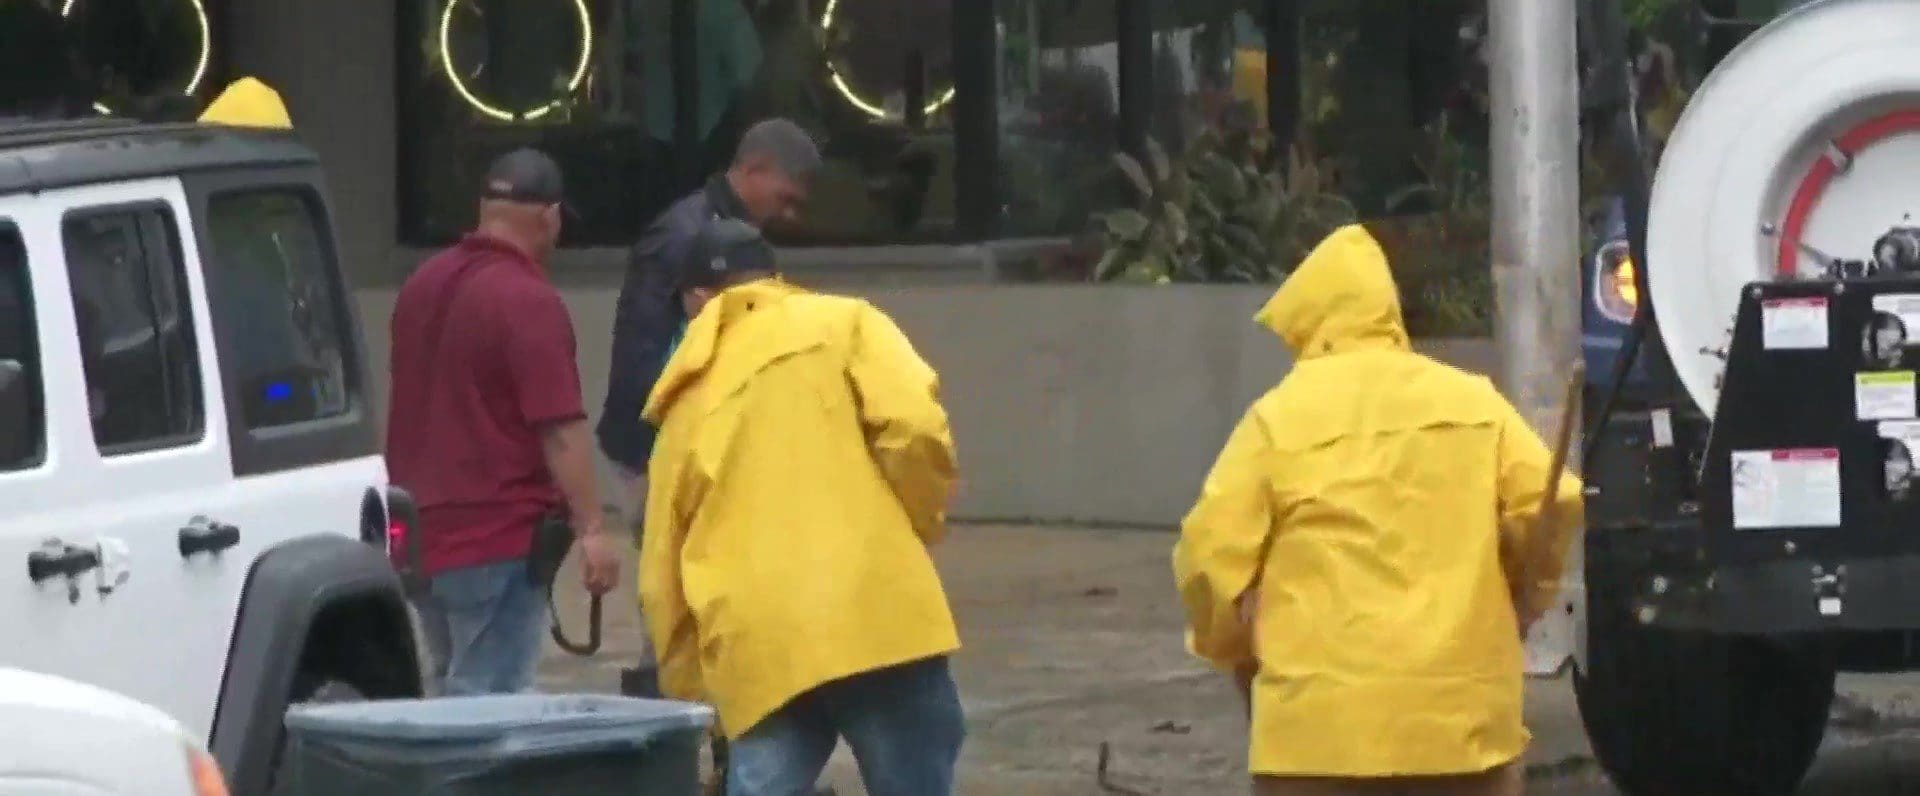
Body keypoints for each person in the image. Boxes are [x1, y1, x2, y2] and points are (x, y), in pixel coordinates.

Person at [1172, 224, 1583, 796]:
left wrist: (1238, 651)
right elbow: (1555, 498)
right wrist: (1525, 596)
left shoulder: (1276, 418)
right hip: (1462, 729)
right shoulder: (1473, 402)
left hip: (1316, 738)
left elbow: (1208, 560)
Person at [639, 219, 965, 795]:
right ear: (773, 279)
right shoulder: (847, 323)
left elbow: (662, 574)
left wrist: (697, 695)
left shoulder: (683, 401)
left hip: (757, 636)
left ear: (697, 298)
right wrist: (917, 523)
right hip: (876, 609)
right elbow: (914, 430)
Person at [597, 117, 821, 695]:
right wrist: (662, 454)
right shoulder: (684, 236)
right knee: (671, 601)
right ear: (754, 169)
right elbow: (643, 353)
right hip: (661, 444)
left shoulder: (722, 232)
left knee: (700, 594)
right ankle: (664, 733)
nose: (789, 214)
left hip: (693, 439)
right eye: (786, 197)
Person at [386, 148, 620, 696]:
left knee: (450, 691)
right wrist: (591, 529)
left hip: (419, 533)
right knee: (490, 708)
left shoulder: (421, 285)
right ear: (549, 216)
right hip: (494, 535)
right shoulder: (527, 299)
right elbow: (560, 429)